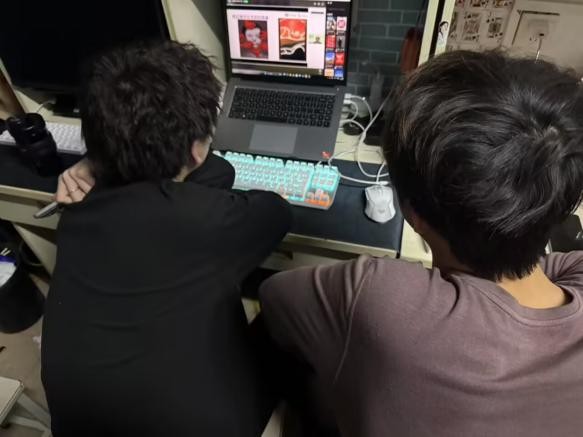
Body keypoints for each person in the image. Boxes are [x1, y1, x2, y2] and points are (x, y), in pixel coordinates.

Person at [258, 50, 583, 436]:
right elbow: (559, 265)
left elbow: (273, 298)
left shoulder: (380, 297)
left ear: (412, 214)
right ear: (563, 202)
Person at [41, 41, 292, 436]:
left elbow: (217, 172)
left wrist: (101, 159)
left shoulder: (76, 211)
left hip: (79, 425)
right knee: (284, 317)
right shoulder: (208, 221)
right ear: (196, 152)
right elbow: (278, 211)